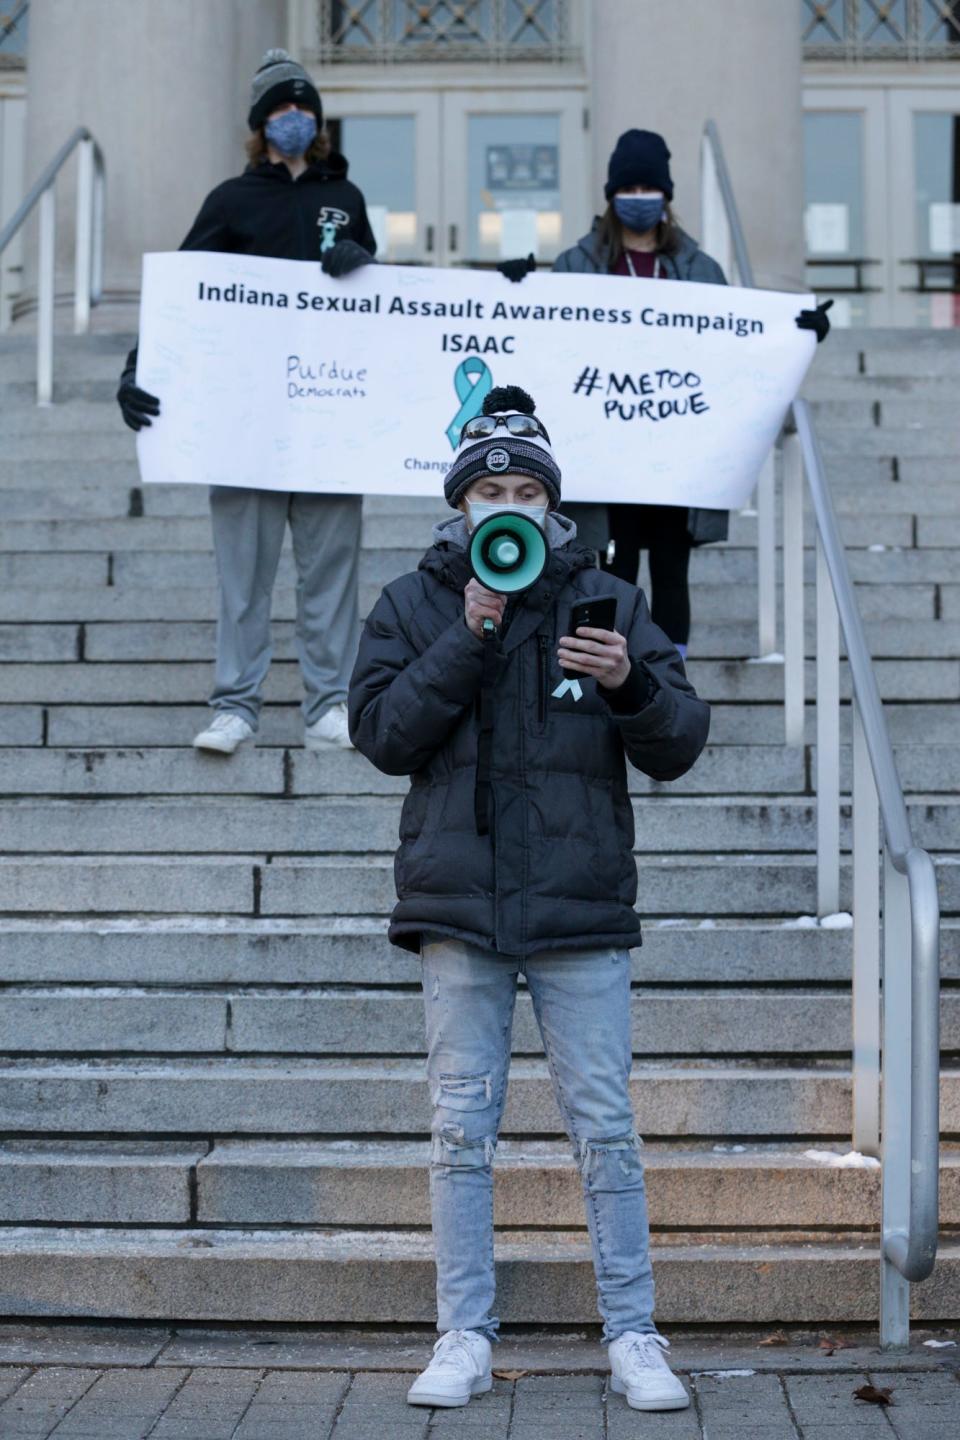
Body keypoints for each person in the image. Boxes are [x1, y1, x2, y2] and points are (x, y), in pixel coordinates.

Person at [348, 384, 710, 1413]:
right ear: (459, 504)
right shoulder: (414, 602)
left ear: (552, 505)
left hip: (578, 907)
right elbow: (380, 736)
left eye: (524, 489)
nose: (505, 503)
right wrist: (469, 632)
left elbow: (680, 741)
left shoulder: (606, 598)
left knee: (604, 1129)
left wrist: (629, 683)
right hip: (460, 909)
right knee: (462, 1131)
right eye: (488, 489)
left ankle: (634, 1336)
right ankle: (462, 1334)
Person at [117, 49, 376, 754]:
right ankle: (236, 706)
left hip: (326, 420)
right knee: (244, 577)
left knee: (331, 571)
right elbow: (182, 300)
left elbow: (382, 312)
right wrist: (139, 367)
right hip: (243, 425)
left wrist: (364, 261)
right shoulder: (230, 201)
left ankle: (329, 705)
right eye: (281, 110)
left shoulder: (345, 201)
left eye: (304, 108)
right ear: (261, 125)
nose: (295, 119)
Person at [500, 128, 831, 660]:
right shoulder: (577, 264)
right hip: (605, 457)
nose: (637, 200)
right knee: (609, 569)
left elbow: (736, 347)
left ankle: (669, 678)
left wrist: (796, 331)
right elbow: (542, 339)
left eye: (646, 189)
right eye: (626, 189)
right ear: (610, 196)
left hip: (678, 456)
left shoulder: (701, 270)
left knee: (672, 570)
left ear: (667, 195)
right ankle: (601, 679)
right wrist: (516, 287)